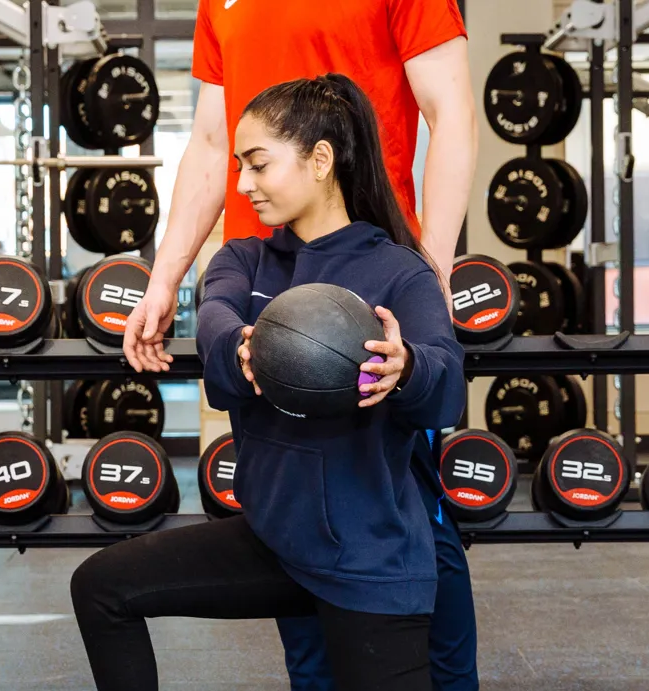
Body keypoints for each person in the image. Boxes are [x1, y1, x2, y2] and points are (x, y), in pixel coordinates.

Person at [120, 1, 481, 687]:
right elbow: (207, 142)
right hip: (266, 275)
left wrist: (427, 263)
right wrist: (163, 277)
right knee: (286, 501)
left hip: (364, 281)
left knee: (403, 519)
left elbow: (453, 111)